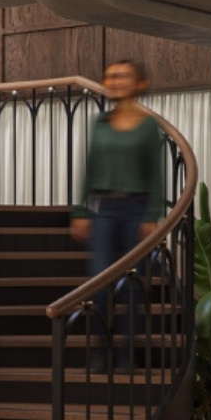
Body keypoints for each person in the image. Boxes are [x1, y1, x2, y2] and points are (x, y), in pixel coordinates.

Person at [70, 60, 165, 372]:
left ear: (139, 83)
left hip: (136, 210)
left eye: (122, 75)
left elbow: (155, 174)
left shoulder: (149, 126)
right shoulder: (101, 122)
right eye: (110, 75)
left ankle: (128, 351)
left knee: (134, 286)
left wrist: (153, 214)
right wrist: (81, 210)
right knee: (98, 282)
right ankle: (102, 347)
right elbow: (91, 168)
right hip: (105, 211)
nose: (114, 80)